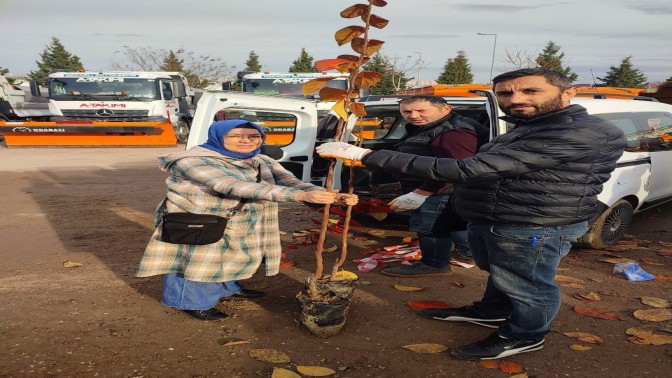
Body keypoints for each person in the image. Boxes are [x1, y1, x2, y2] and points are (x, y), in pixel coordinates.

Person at [315, 68, 626, 359]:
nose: (516, 99)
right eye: (505, 94)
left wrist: (367, 155)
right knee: (504, 274)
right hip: (502, 217)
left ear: (567, 93)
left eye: (531, 91)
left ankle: (526, 334)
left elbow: (469, 168)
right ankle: (493, 310)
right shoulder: (532, 127)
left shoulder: (577, 131)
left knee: (529, 285)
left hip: (533, 223)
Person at [136, 120, 357, 321]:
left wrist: (329, 195)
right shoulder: (192, 160)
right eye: (236, 136)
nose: (246, 140)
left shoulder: (261, 159)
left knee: (231, 255)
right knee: (194, 262)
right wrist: (298, 196)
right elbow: (230, 185)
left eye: (254, 136)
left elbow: (291, 181)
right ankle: (188, 302)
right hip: (199, 220)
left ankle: (227, 287)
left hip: (239, 220)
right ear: (218, 136)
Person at [380, 96, 488, 278]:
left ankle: (435, 265)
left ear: (446, 109)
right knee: (454, 224)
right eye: (407, 111)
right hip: (444, 190)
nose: (413, 115)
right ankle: (468, 255)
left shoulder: (454, 133)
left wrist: (422, 192)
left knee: (430, 228)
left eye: (421, 111)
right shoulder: (432, 127)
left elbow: (455, 169)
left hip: (439, 191)